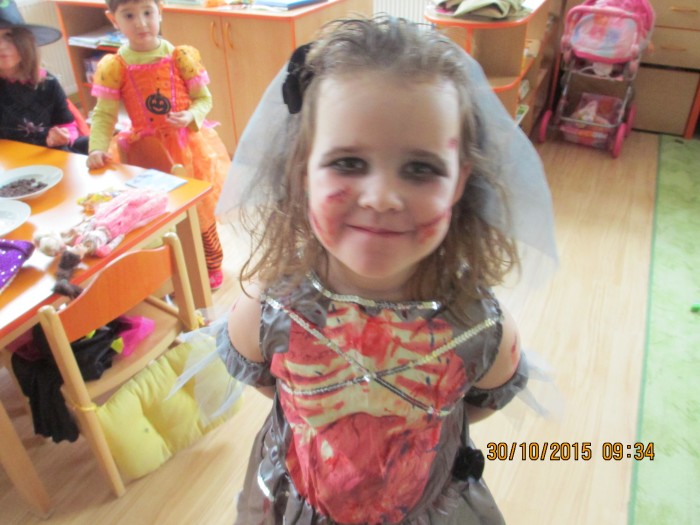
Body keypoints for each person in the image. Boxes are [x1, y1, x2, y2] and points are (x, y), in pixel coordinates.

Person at [212, 15, 558, 525]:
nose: (381, 198)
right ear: (303, 170)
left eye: (420, 169)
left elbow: (478, 404)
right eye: (348, 163)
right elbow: (273, 388)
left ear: (459, 182)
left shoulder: (484, 326)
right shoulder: (267, 308)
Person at [86, 0, 230, 290]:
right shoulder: (115, 66)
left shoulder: (181, 57)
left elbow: (203, 98)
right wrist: (96, 148)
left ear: (160, 11)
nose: (141, 23)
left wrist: (191, 115)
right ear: (113, 19)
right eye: (129, 15)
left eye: (147, 13)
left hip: (187, 147)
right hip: (145, 151)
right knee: (154, 211)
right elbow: (104, 114)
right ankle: (170, 267)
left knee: (199, 209)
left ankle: (211, 262)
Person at [0, 0, 88, 154]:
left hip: (48, 154)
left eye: (8, 35)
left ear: (25, 41)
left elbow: (67, 125)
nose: (1, 46)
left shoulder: (48, 83)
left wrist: (62, 137)